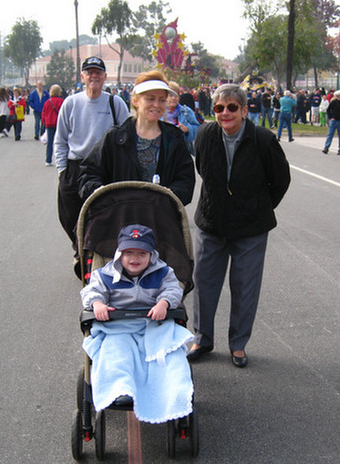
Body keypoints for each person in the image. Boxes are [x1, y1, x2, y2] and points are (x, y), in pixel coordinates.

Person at [187, 83, 291, 368]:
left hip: (250, 229)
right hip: (211, 224)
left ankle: (238, 344)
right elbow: (204, 172)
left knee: (245, 287)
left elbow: (280, 180)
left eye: (232, 107)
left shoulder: (263, 140)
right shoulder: (206, 134)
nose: (225, 113)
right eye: (219, 108)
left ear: (245, 111)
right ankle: (202, 338)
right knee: (205, 283)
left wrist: (257, 209)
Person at [81, 224, 193, 422]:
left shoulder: (163, 273)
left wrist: (164, 303)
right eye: (129, 252)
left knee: (168, 357)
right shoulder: (105, 275)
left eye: (142, 253)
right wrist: (97, 303)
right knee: (117, 354)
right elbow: (91, 291)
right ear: (119, 254)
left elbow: (174, 290)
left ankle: (170, 391)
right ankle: (121, 388)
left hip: (153, 326)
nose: (135, 258)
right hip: (118, 328)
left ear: (152, 254)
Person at [78, 71, 194, 205]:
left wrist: (172, 194)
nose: (156, 105)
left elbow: (186, 179)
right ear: (135, 101)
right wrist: (103, 194)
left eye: (162, 100)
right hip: (121, 219)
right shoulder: (115, 138)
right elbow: (88, 174)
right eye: (150, 99)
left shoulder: (174, 138)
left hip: (161, 219)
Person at [55, 56, 130, 261]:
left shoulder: (116, 104)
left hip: (103, 168)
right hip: (74, 167)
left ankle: (91, 256)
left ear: (105, 77)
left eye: (98, 72)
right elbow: (60, 140)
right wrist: (62, 171)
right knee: (69, 215)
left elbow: (128, 137)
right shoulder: (71, 103)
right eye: (89, 72)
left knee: (102, 216)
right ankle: (80, 247)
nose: (94, 76)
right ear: (82, 76)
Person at [164, 81, 200, 154]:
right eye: (170, 95)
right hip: (163, 152)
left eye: (176, 95)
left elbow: (198, 129)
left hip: (182, 153)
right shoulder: (159, 112)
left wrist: (188, 129)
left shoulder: (186, 111)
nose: (173, 98)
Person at [41, 84, 64, 166]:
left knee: (50, 143)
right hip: (59, 124)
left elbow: (43, 113)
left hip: (49, 124)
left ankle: (48, 160)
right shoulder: (61, 101)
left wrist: (44, 122)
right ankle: (60, 160)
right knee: (60, 143)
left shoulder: (47, 102)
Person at [322, 90, 340, 155]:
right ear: (338, 96)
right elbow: (328, 110)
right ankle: (326, 147)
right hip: (334, 121)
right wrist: (331, 117)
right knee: (330, 134)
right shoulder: (333, 102)